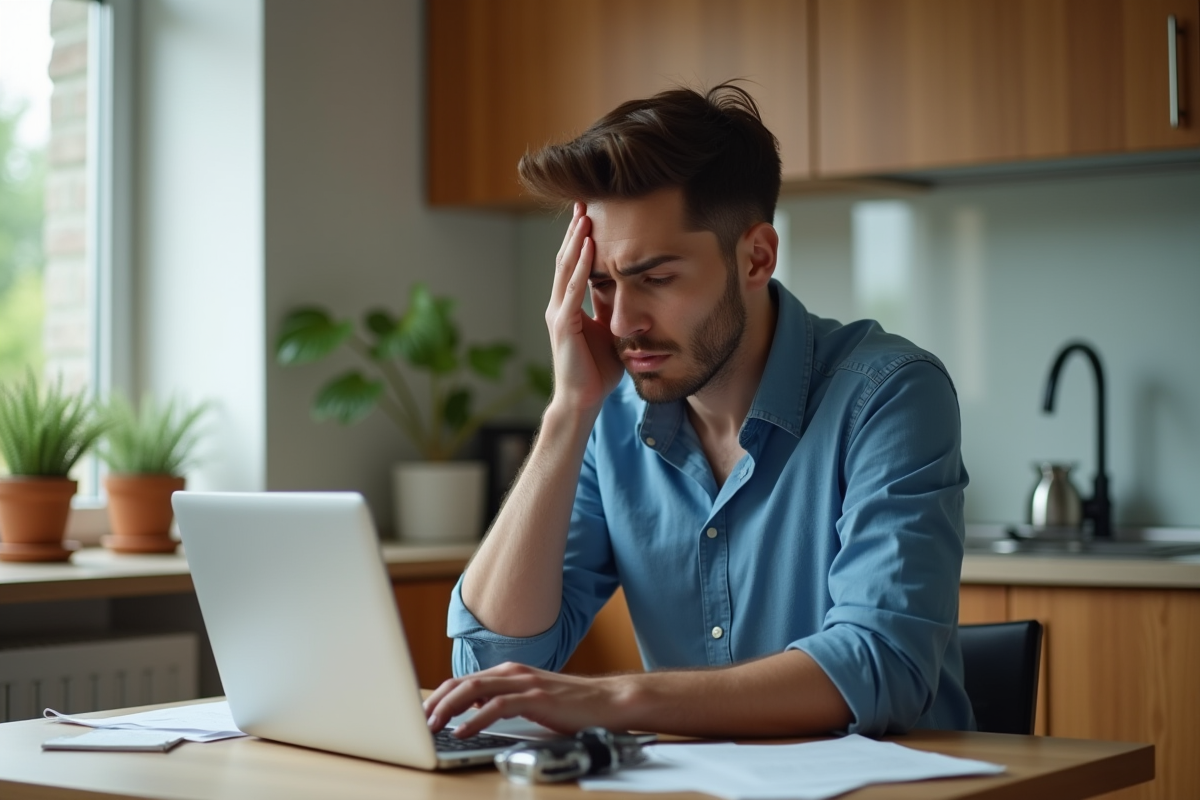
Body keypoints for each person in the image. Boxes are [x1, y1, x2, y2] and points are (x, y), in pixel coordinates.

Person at [424, 83, 975, 739]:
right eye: (601, 285)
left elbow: (882, 665)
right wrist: (568, 412)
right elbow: (491, 664)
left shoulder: (888, 393)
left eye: (656, 279)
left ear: (756, 257)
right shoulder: (609, 419)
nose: (621, 323)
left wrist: (617, 699)